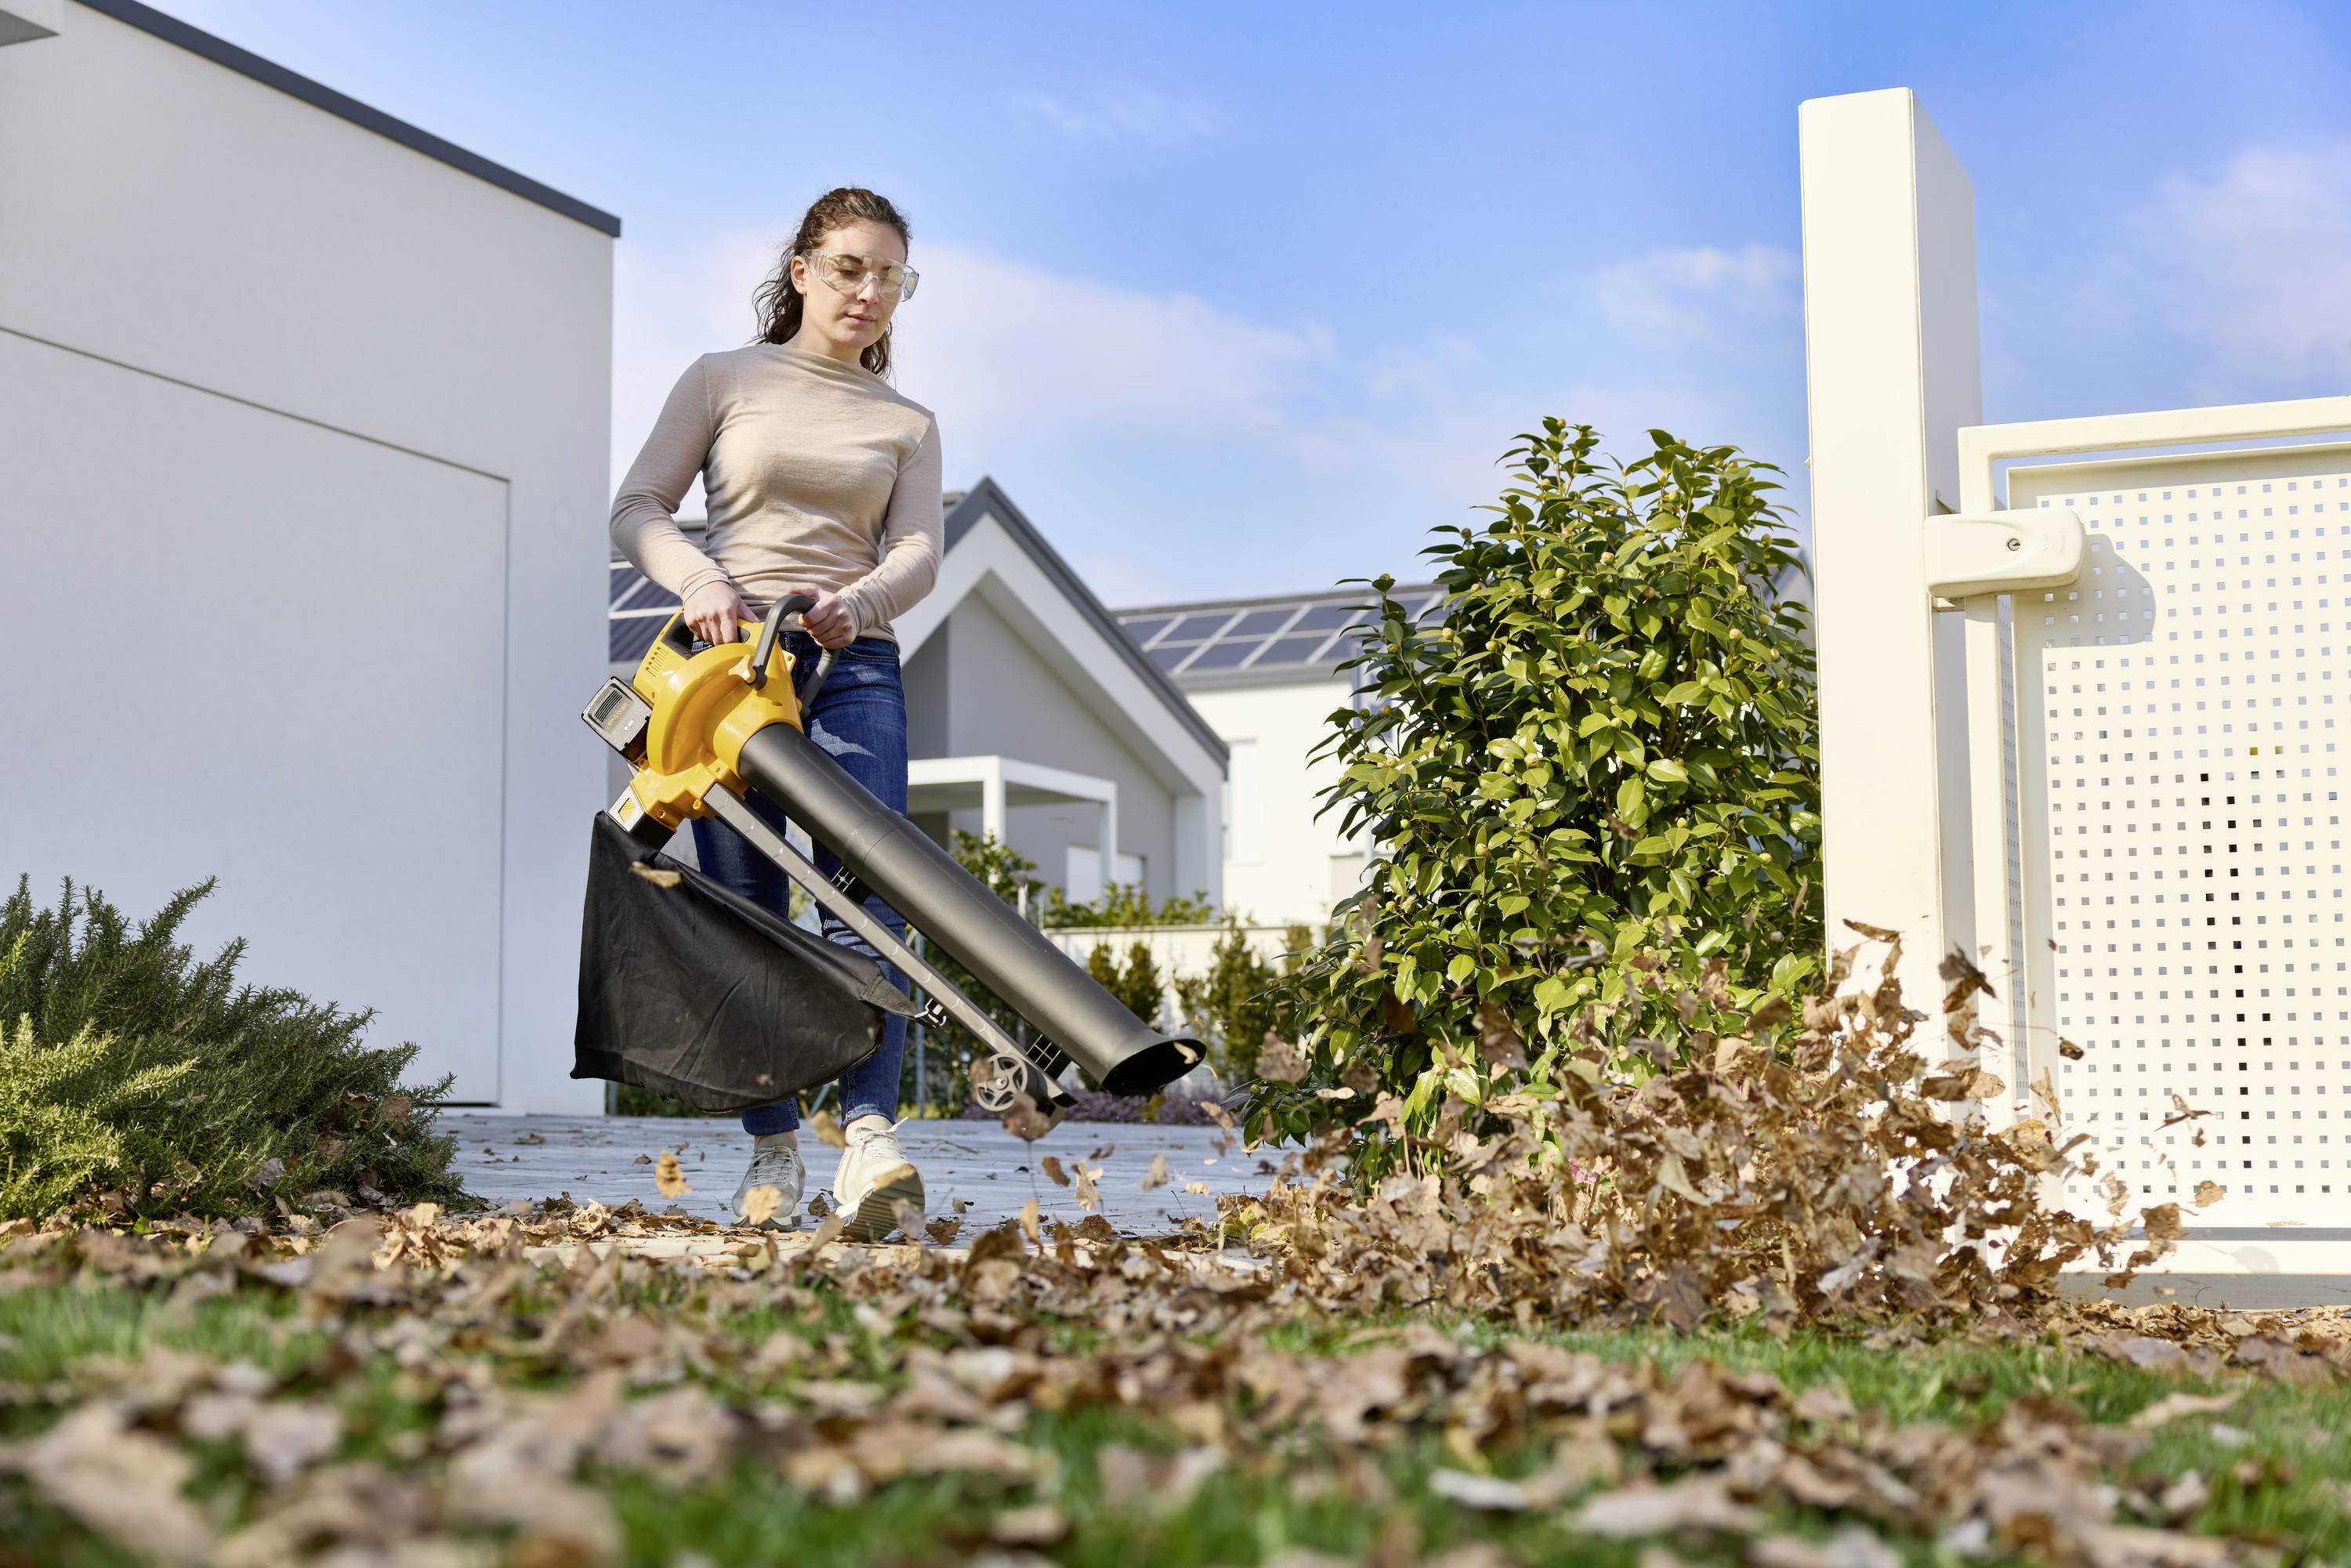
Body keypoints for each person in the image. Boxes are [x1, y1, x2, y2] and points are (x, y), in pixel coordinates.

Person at [609, 187, 941, 1240]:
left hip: (852, 663)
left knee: (871, 884)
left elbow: (919, 551)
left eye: (890, 273)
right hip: (728, 662)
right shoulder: (724, 379)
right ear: (801, 269)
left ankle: (873, 1137)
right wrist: (699, 581)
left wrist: (862, 602)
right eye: (849, 266)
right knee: (745, 898)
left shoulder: (908, 423)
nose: (869, 290)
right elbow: (638, 507)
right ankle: (771, 1141)